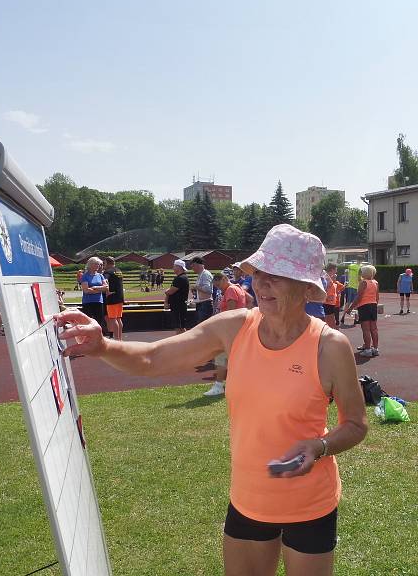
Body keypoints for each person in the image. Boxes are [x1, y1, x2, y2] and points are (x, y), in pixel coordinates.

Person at [55, 223, 368, 576]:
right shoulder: (234, 328)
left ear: (306, 285)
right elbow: (152, 359)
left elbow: (356, 424)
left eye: (276, 276)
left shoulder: (330, 346)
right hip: (249, 500)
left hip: (311, 504)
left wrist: (319, 446)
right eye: (259, 272)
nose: (262, 283)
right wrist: (102, 346)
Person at [204, 273, 248, 397]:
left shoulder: (230, 290)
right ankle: (235, 384)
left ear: (224, 279)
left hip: (230, 331)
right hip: (236, 329)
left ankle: (219, 386)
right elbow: (249, 300)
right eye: (216, 286)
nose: (219, 288)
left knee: (221, 357)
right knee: (231, 358)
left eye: (219, 284)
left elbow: (231, 313)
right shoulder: (237, 287)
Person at [343, 265, 379, 357]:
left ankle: (367, 349)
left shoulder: (363, 283)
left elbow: (359, 297)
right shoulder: (375, 282)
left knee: (366, 329)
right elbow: (377, 297)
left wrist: (350, 308)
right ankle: (375, 348)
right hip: (373, 305)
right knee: (374, 329)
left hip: (364, 306)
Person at [80, 257, 108, 327]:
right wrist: (100, 290)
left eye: (99, 264)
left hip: (99, 301)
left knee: (99, 322)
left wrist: (95, 288)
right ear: (91, 265)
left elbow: (106, 287)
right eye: (96, 264)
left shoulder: (100, 276)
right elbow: (86, 290)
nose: (98, 266)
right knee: (88, 322)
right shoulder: (85, 276)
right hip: (88, 302)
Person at [164, 260, 190, 334]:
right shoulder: (180, 278)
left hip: (178, 306)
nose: (173, 268)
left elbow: (170, 291)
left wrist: (167, 292)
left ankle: (180, 343)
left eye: (174, 266)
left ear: (179, 267)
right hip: (178, 306)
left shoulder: (180, 278)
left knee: (179, 327)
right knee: (180, 326)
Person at [103, 257, 124, 340]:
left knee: (113, 319)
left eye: (104, 264)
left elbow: (105, 281)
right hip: (120, 296)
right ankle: (120, 339)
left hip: (112, 298)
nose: (103, 266)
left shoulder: (108, 272)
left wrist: (107, 291)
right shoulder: (119, 270)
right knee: (119, 318)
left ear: (107, 263)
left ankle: (116, 340)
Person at [190, 257, 214, 324]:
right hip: (202, 304)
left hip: (205, 304)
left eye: (193, 266)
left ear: (198, 265)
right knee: (200, 325)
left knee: (202, 326)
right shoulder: (201, 275)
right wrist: (195, 291)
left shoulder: (205, 274)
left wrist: (196, 287)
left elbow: (209, 290)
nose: (192, 268)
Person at [322, 264, 343, 329]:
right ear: (332, 269)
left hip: (331, 302)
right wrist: (326, 297)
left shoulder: (328, 276)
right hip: (327, 302)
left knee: (331, 321)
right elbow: (324, 288)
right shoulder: (326, 277)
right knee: (329, 321)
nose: (336, 271)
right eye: (336, 269)